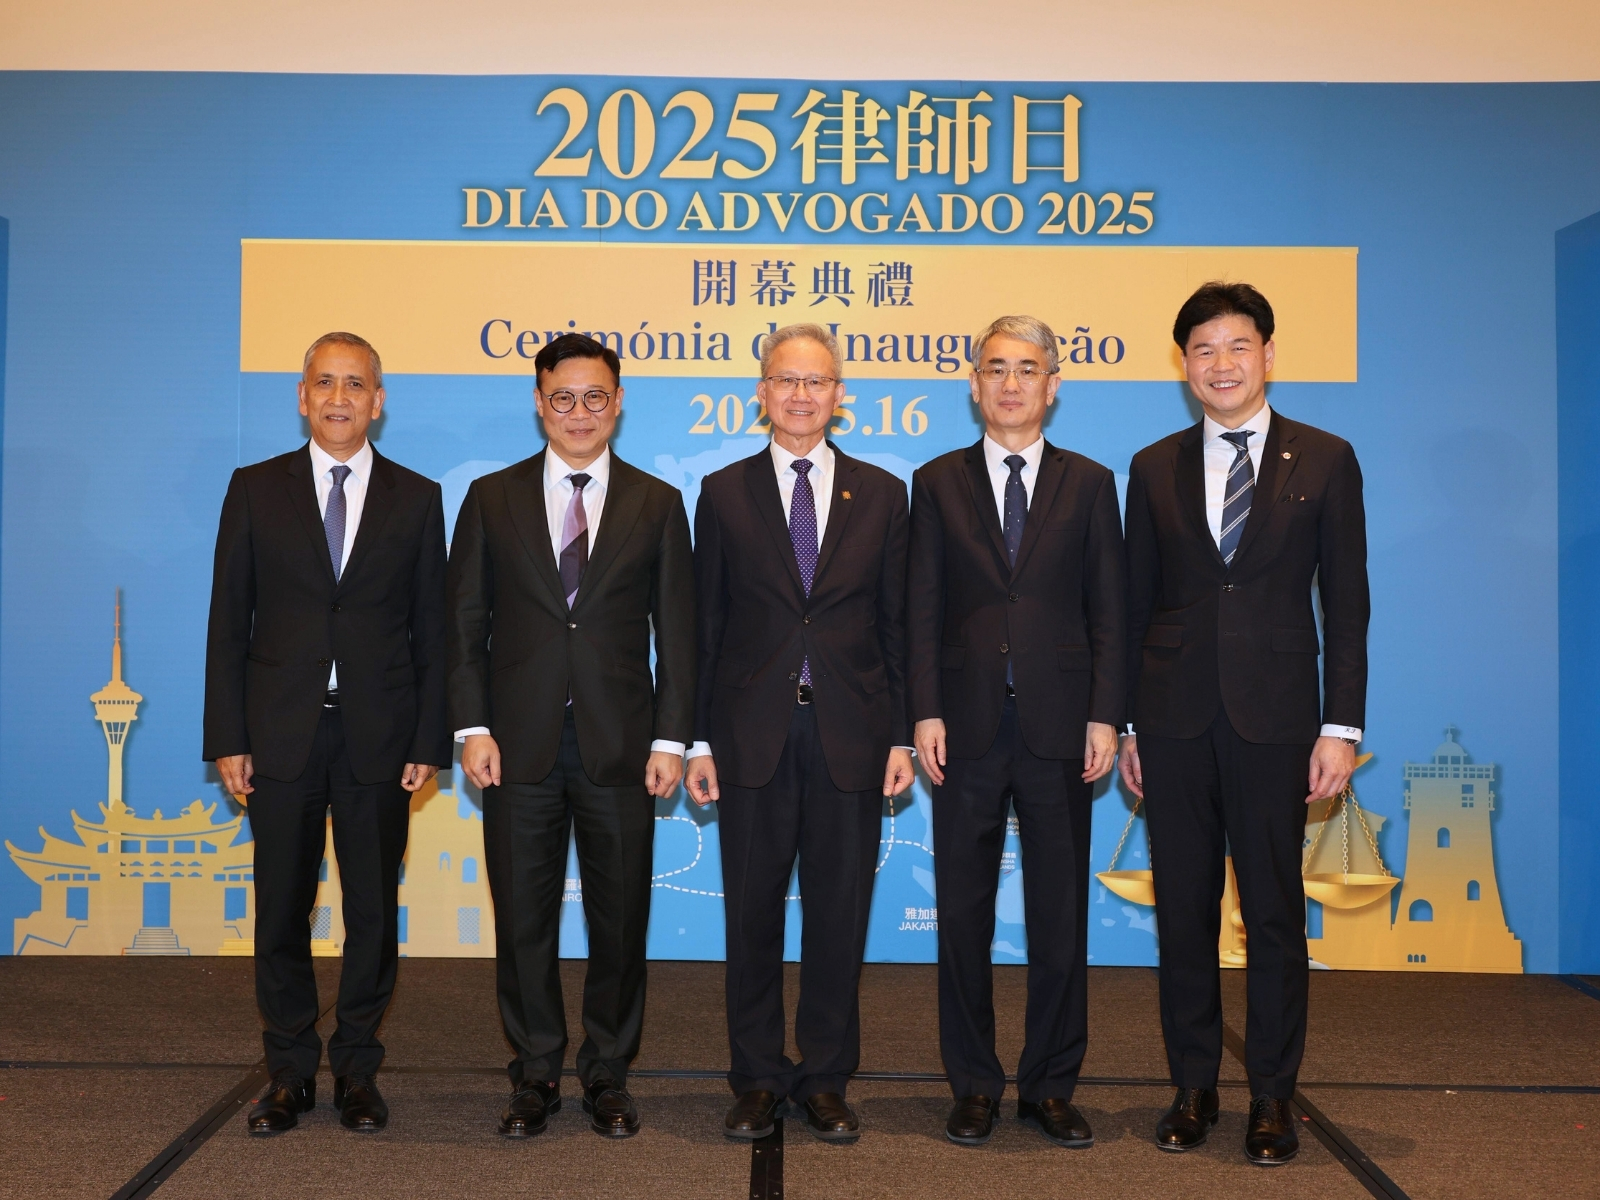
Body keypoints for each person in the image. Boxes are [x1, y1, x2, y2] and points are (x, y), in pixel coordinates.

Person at [1119, 281, 1369, 1165]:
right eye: (1202, 350)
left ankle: (1272, 1095)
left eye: (1236, 346)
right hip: (1173, 720)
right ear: (1183, 365)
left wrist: (1341, 726)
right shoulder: (1153, 465)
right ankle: (1192, 1085)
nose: (1220, 364)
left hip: (1279, 722)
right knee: (1183, 911)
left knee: (1272, 913)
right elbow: (1135, 603)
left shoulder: (1326, 458)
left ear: (1267, 354)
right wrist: (1128, 725)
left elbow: (1347, 604)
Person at [446, 333, 694, 1140]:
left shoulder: (658, 503)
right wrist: (472, 726)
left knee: (620, 920)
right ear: (539, 403)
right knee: (524, 919)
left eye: (594, 398)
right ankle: (536, 1073)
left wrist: (672, 740)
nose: (579, 413)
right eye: (563, 397)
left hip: (621, 747)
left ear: (617, 404)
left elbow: (679, 635)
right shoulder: (492, 498)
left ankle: (608, 1072)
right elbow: (464, 624)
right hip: (515, 747)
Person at [204, 331, 449, 1135]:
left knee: (373, 911)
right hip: (279, 734)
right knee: (282, 907)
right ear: (302, 396)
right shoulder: (254, 489)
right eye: (325, 382)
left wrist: (429, 739)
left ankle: (356, 1071)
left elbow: (433, 630)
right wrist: (228, 735)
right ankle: (288, 1073)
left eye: (355, 384)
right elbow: (228, 622)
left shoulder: (417, 498)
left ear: (379, 401)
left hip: (380, 736)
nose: (339, 398)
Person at [686, 323, 913, 1144]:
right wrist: (697, 740)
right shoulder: (722, 492)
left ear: (840, 395)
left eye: (817, 382)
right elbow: (703, 627)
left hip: (853, 736)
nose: (801, 395)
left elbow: (897, 625)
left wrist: (900, 737)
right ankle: (754, 1077)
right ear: (762, 393)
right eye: (786, 380)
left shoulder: (883, 494)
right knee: (751, 916)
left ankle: (824, 1078)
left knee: (838, 917)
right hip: (751, 738)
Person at [908, 315, 1125, 1149]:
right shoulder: (936, 481)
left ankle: (1050, 1085)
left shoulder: (1091, 483)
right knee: (962, 913)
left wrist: (1106, 714)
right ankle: (972, 1084)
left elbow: (1109, 610)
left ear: (1052, 384)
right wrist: (924, 709)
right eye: (995, 367)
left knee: (1058, 915)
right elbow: (920, 607)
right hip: (961, 728)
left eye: (1027, 368)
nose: (1010, 383)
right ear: (974, 384)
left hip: (1062, 727)